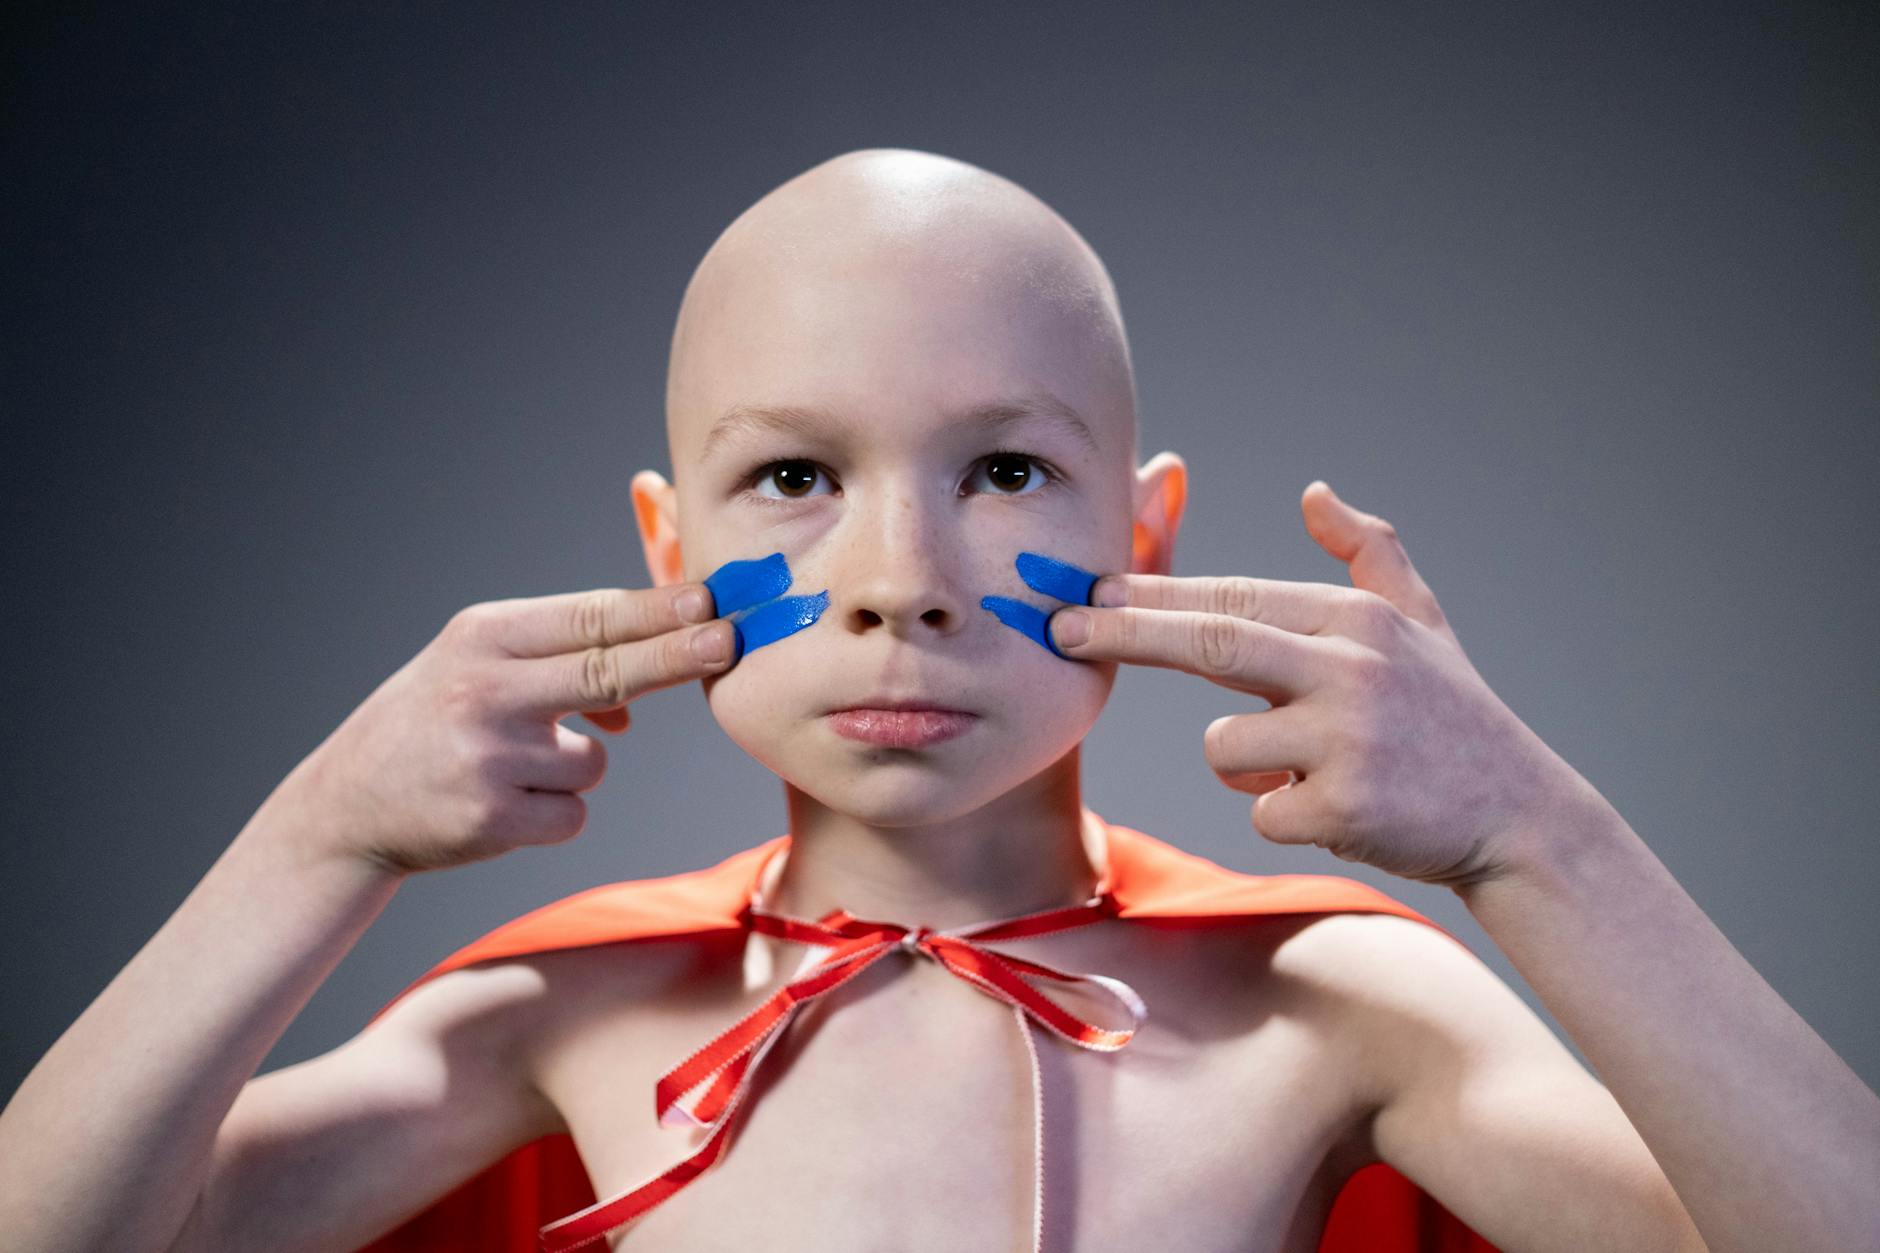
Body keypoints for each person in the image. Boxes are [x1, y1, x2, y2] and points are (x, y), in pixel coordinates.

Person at [3, 147, 1874, 1253]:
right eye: (795, 479)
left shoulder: (1332, 1002)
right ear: (672, 553)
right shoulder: (566, 1015)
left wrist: (1534, 833)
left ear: (1144, 534)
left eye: (1003, 471)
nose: (898, 575)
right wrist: (315, 836)